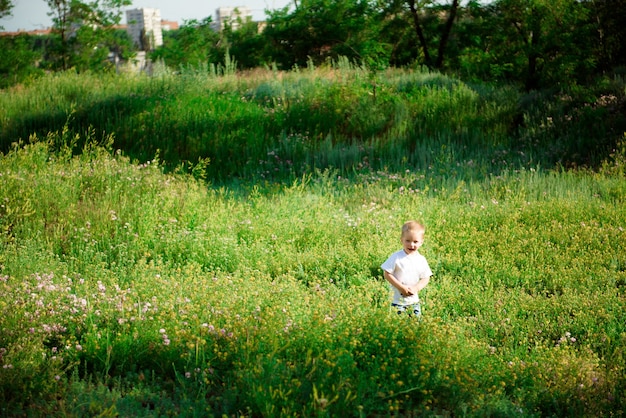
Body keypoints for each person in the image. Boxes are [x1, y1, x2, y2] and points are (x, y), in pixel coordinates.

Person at [381, 220, 433, 317]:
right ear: (402, 240)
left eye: (415, 242)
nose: (411, 245)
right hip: (397, 301)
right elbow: (387, 273)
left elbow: (426, 277)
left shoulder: (421, 259)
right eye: (408, 241)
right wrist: (401, 288)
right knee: (398, 326)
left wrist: (416, 288)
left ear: (421, 242)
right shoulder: (396, 257)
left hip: (414, 301)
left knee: (416, 326)